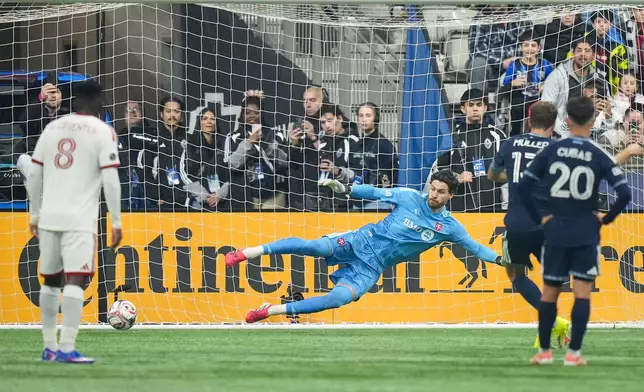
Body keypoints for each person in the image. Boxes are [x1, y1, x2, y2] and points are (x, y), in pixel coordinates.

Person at [224, 170, 502, 323]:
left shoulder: (450, 227)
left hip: (372, 266)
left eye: (441, 192)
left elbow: (477, 250)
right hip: (361, 240)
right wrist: (347, 190)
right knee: (312, 247)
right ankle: (246, 253)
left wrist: (501, 260)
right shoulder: (409, 197)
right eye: (433, 188)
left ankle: (269, 310)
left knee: (338, 300)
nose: (434, 194)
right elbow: (375, 192)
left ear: (451, 196)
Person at [518, 96, 632, 366]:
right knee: (582, 293)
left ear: (566, 120)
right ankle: (574, 354)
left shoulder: (552, 150)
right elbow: (625, 193)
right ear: (592, 122)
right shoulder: (597, 153)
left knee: (549, 293)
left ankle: (544, 352)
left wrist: (540, 219)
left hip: (555, 230)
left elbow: (523, 187)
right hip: (585, 231)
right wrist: (606, 220)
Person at [26, 80, 122, 364]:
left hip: (50, 216)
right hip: (80, 219)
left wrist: (34, 212)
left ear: (74, 101)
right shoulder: (102, 130)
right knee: (77, 280)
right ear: (98, 103)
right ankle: (67, 348)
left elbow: (33, 173)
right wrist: (115, 220)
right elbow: (110, 179)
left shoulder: (53, 127)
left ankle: (48, 346)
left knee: (51, 280)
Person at [487, 102, 570, 348]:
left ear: (529, 119)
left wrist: (515, 176)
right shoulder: (558, 148)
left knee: (516, 276)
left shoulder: (510, 143)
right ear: (554, 123)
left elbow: (492, 174)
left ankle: (552, 322)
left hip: (517, 224)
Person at [431, 89, 507, 212]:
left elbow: (507, 171)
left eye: (479, 104)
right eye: (471, 105)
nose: (475, 109)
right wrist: (456, 178)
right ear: (463, 109)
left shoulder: (498, 136)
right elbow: (437, 171)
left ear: (485, 108)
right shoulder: (452, 136)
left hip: (491, 207)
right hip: (458, 206)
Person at [499, 30, 553, 136]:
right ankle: (514, 136)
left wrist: (546, 86)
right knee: (518, 109)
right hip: (519, 103)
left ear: (539, 48)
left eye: (533, 45)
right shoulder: (514, 65)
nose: (529, 49)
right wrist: (513, 83)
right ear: (521, 47)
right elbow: (502, 90)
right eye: (526, 45)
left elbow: (553, 84)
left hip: (539, 102)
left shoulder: (545, 65)